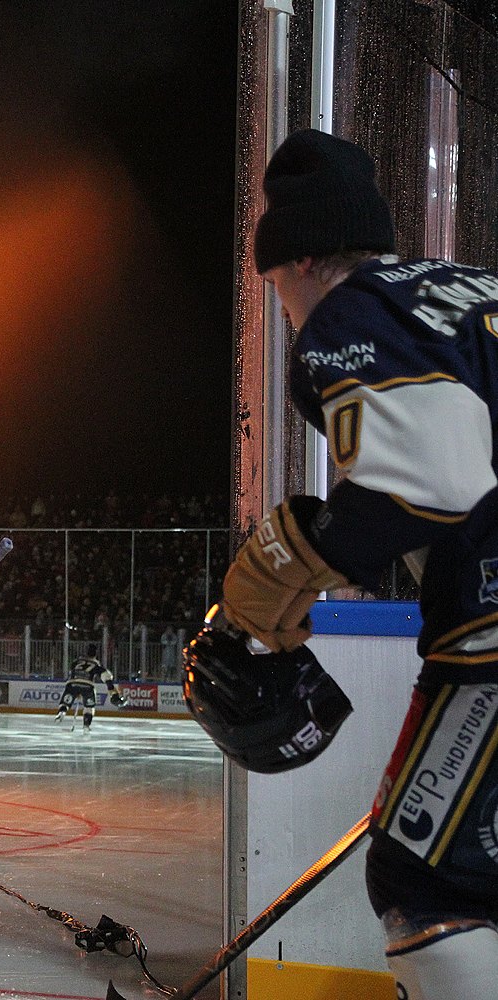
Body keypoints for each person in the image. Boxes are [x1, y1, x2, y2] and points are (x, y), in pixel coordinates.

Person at [218, 129, 498, 998]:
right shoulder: (471, 289)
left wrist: (294, 557)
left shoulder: (353, 315)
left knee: (426, 879)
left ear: (298, 261)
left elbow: (436, 478)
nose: (283, 311)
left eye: (274, 289)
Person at [53, 654, 125, 733]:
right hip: (87, 685)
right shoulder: (95, 664)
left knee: (65, 702)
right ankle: (86, 725)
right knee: (89, 707)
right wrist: (112, 692)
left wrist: (77, 690)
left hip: (72, 683)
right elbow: (106, 677)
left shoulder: (76, 662)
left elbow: (72, 673)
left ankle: (62, 712)